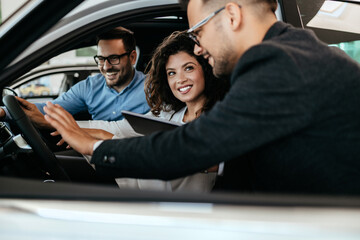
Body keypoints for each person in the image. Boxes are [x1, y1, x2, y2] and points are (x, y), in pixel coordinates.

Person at [44, 0, 360, 195]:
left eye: (197, 32)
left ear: (232, 15)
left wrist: (92, 147)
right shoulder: (291, 53)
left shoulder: (280, 65)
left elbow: (191, 147)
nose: (196, 46)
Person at [51, 31, 229, 192]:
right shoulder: (169, 113)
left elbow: (169, 156)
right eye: (171, 73)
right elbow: (121, 129)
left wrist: (94, 142)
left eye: (188, 68)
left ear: (206, 69)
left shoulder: (219, 120)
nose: (180, 80)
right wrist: (72, 128)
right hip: (145, 204)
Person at [0, 27, 149, 128]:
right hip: (95, 153)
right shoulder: (89, 87)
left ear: (132, 57)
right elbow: (51, 109)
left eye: (114, 58)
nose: (106, 67)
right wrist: (5, 112)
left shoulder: (153, 88)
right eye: (101, 59)